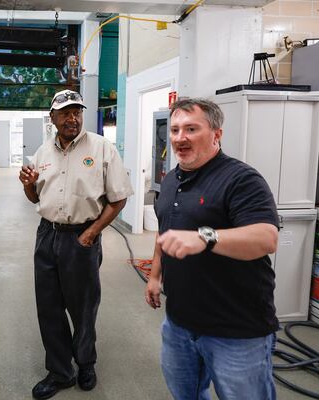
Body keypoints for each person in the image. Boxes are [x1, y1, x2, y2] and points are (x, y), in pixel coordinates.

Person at [144, 98, 279, 400]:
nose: (180, 138)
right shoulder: (170, 180)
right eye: (176, 129)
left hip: (236, 330)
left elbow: (266, 237)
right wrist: (155, 276)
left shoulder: (241, 179)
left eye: (192, 129)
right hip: (179, 322)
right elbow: (165, 230)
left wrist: (206, 237)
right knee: (186, 394)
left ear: (216, 134)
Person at [19, 89, 133, 399]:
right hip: (47, 236)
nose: (72, 117)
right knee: (49, 307)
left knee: (83, 307)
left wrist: (92, 232)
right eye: (65, 112)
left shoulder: (102, 148)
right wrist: (28, 184)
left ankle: (85, 363)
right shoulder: (42, 153)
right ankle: (60, 371)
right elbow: (35, 198)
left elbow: (119, 198)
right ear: (52, 117)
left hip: (82, 237)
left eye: (77, 111)